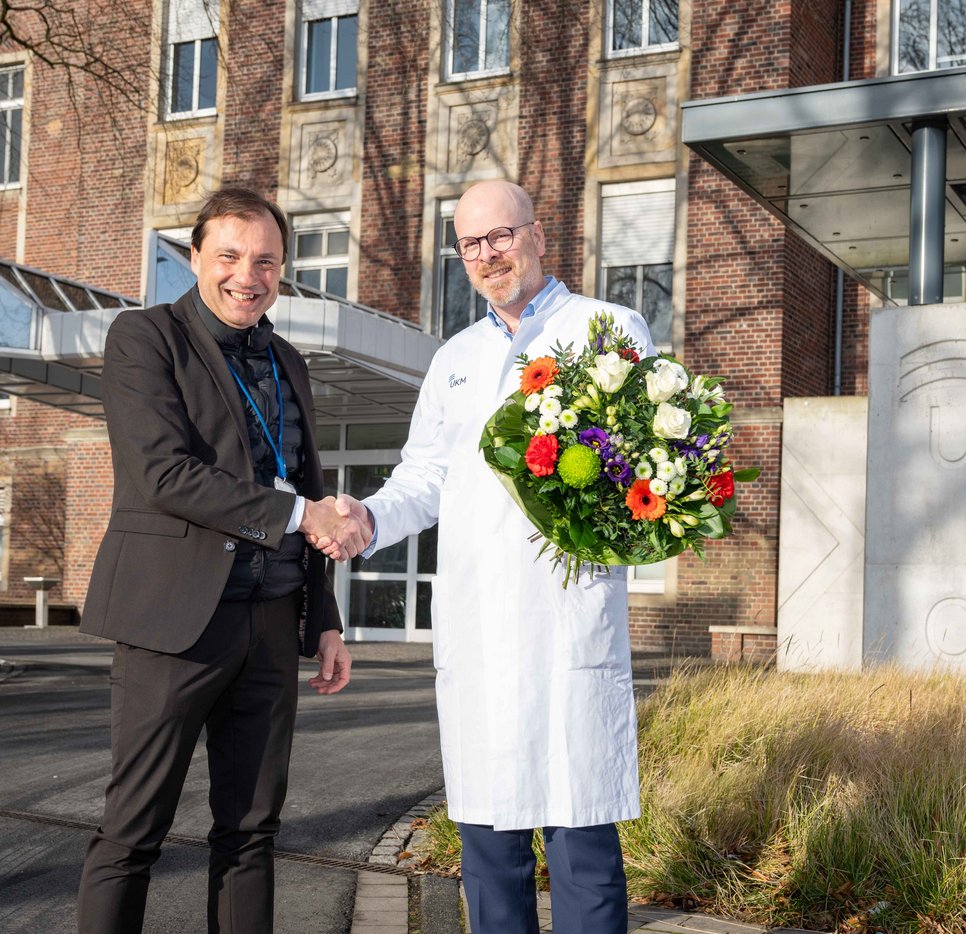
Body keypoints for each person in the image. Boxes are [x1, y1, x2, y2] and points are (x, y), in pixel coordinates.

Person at [319, 179, 654, 933]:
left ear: (538, 235)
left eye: (501, 236)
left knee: (582, 851)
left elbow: (642, 466)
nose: (488, 255)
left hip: (567, 623)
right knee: (489, 854)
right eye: (472, 244)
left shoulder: (609, 328)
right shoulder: (455, 358)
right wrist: (368, 516)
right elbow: (425, 479)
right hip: (479, 628)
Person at [76, 187, 366, 934]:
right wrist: (304, 515)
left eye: (266, 260)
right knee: (133, 832)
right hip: (173, 623)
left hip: (270, 622)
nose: (249, 274)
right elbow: (164, 475)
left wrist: (324, 619)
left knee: (251, 834)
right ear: (195, 257)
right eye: (230, 256)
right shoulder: (144, 339)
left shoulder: (288, 361)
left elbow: (308, 486)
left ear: (283, 270)